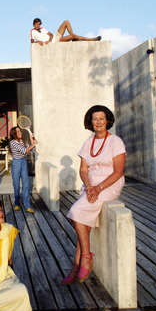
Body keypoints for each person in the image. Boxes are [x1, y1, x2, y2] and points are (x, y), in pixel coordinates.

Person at [62, 105, 126, 285]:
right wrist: (90, 185)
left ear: (108, 121)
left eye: (101, 118)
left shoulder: (116, 141)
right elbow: (83, 169)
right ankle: (77, 266)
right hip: (90, 186)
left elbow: (119, 171)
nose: (98, 122)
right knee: (84, 223)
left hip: (109, 184)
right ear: (90, 122)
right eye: (94, 119)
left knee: (76, 212)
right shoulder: (88, 143)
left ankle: (86, 259)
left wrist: (99, 188)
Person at [8, 126, 38, 213]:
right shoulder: (12, 142)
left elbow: (33, 149)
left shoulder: (22, 141)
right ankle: (16, 203)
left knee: (26, 185)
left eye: (20, 131)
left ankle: (27, 206)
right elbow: (24, 151)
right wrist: (33, 144)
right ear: (14, 134)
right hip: (16, 163)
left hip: (23, 162)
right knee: (16, 185)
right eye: (17, 132)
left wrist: (30, 138)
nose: (20, 133)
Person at [30, 18, 101, 45]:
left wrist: (49, 41)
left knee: (66, 22)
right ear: (34, 24)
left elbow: (51, 34)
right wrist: (38, 41)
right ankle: (91, 39)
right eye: (36, 24)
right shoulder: (32, 31)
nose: (38, 25)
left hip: (55, 37)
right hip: (56, 41)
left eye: (39, 24)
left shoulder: (42, 29)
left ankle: (73, 38)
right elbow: (32, 41)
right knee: (74, 35)